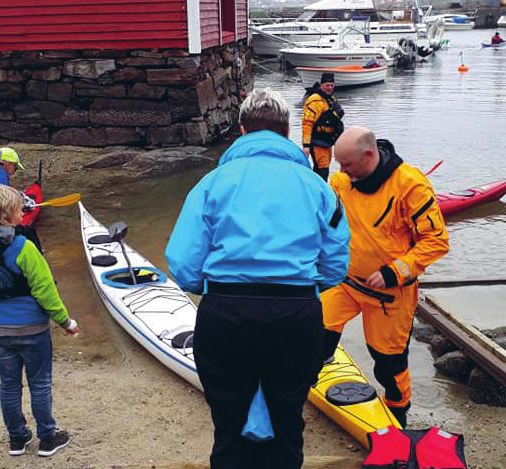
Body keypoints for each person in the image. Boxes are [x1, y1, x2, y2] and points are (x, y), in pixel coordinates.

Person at [166, 88, 350, 469]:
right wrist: (305, 288)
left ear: (242, 129)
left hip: (226, 313)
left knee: (228, 424)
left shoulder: (211, 185)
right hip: (296, 316)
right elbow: (336, 263)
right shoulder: (319, 188)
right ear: (286, 132)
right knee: (287, 419)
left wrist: (214, 288)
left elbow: (183, 263)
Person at [321, 127, 449, 428]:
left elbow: (436, 240)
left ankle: (397, 413)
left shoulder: (410, 185)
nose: (341, 171)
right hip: (345, 282)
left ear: (368, 155)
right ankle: (303, 381)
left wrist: (395, 272)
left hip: (389, 295)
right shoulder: (341, 182)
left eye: (347, 165)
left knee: (388, 363)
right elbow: (328, 224)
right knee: (314, 332)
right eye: (339, 165)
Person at [0, 184, 80, 457]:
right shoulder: (24, 247)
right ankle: (47, 437)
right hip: (33, 329)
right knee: (39, 383)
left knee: (9, 385)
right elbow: (45, 290)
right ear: (8, 214)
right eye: (17, 208)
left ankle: (17, 439)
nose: (21, 211)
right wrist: (65, 321)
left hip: (0, 330)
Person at [302, 72, 345, 181]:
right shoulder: (314, 101)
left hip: (327, 140)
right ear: (321, 85)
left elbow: (338, 114)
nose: (330, 88)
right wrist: (306, 145)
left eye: (332, 85)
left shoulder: (331, 99)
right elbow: (307, 123)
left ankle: (318, 190)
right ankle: (318, 192)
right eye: (327, 85)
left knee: (324, 169)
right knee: (322, 170)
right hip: (317, 141)